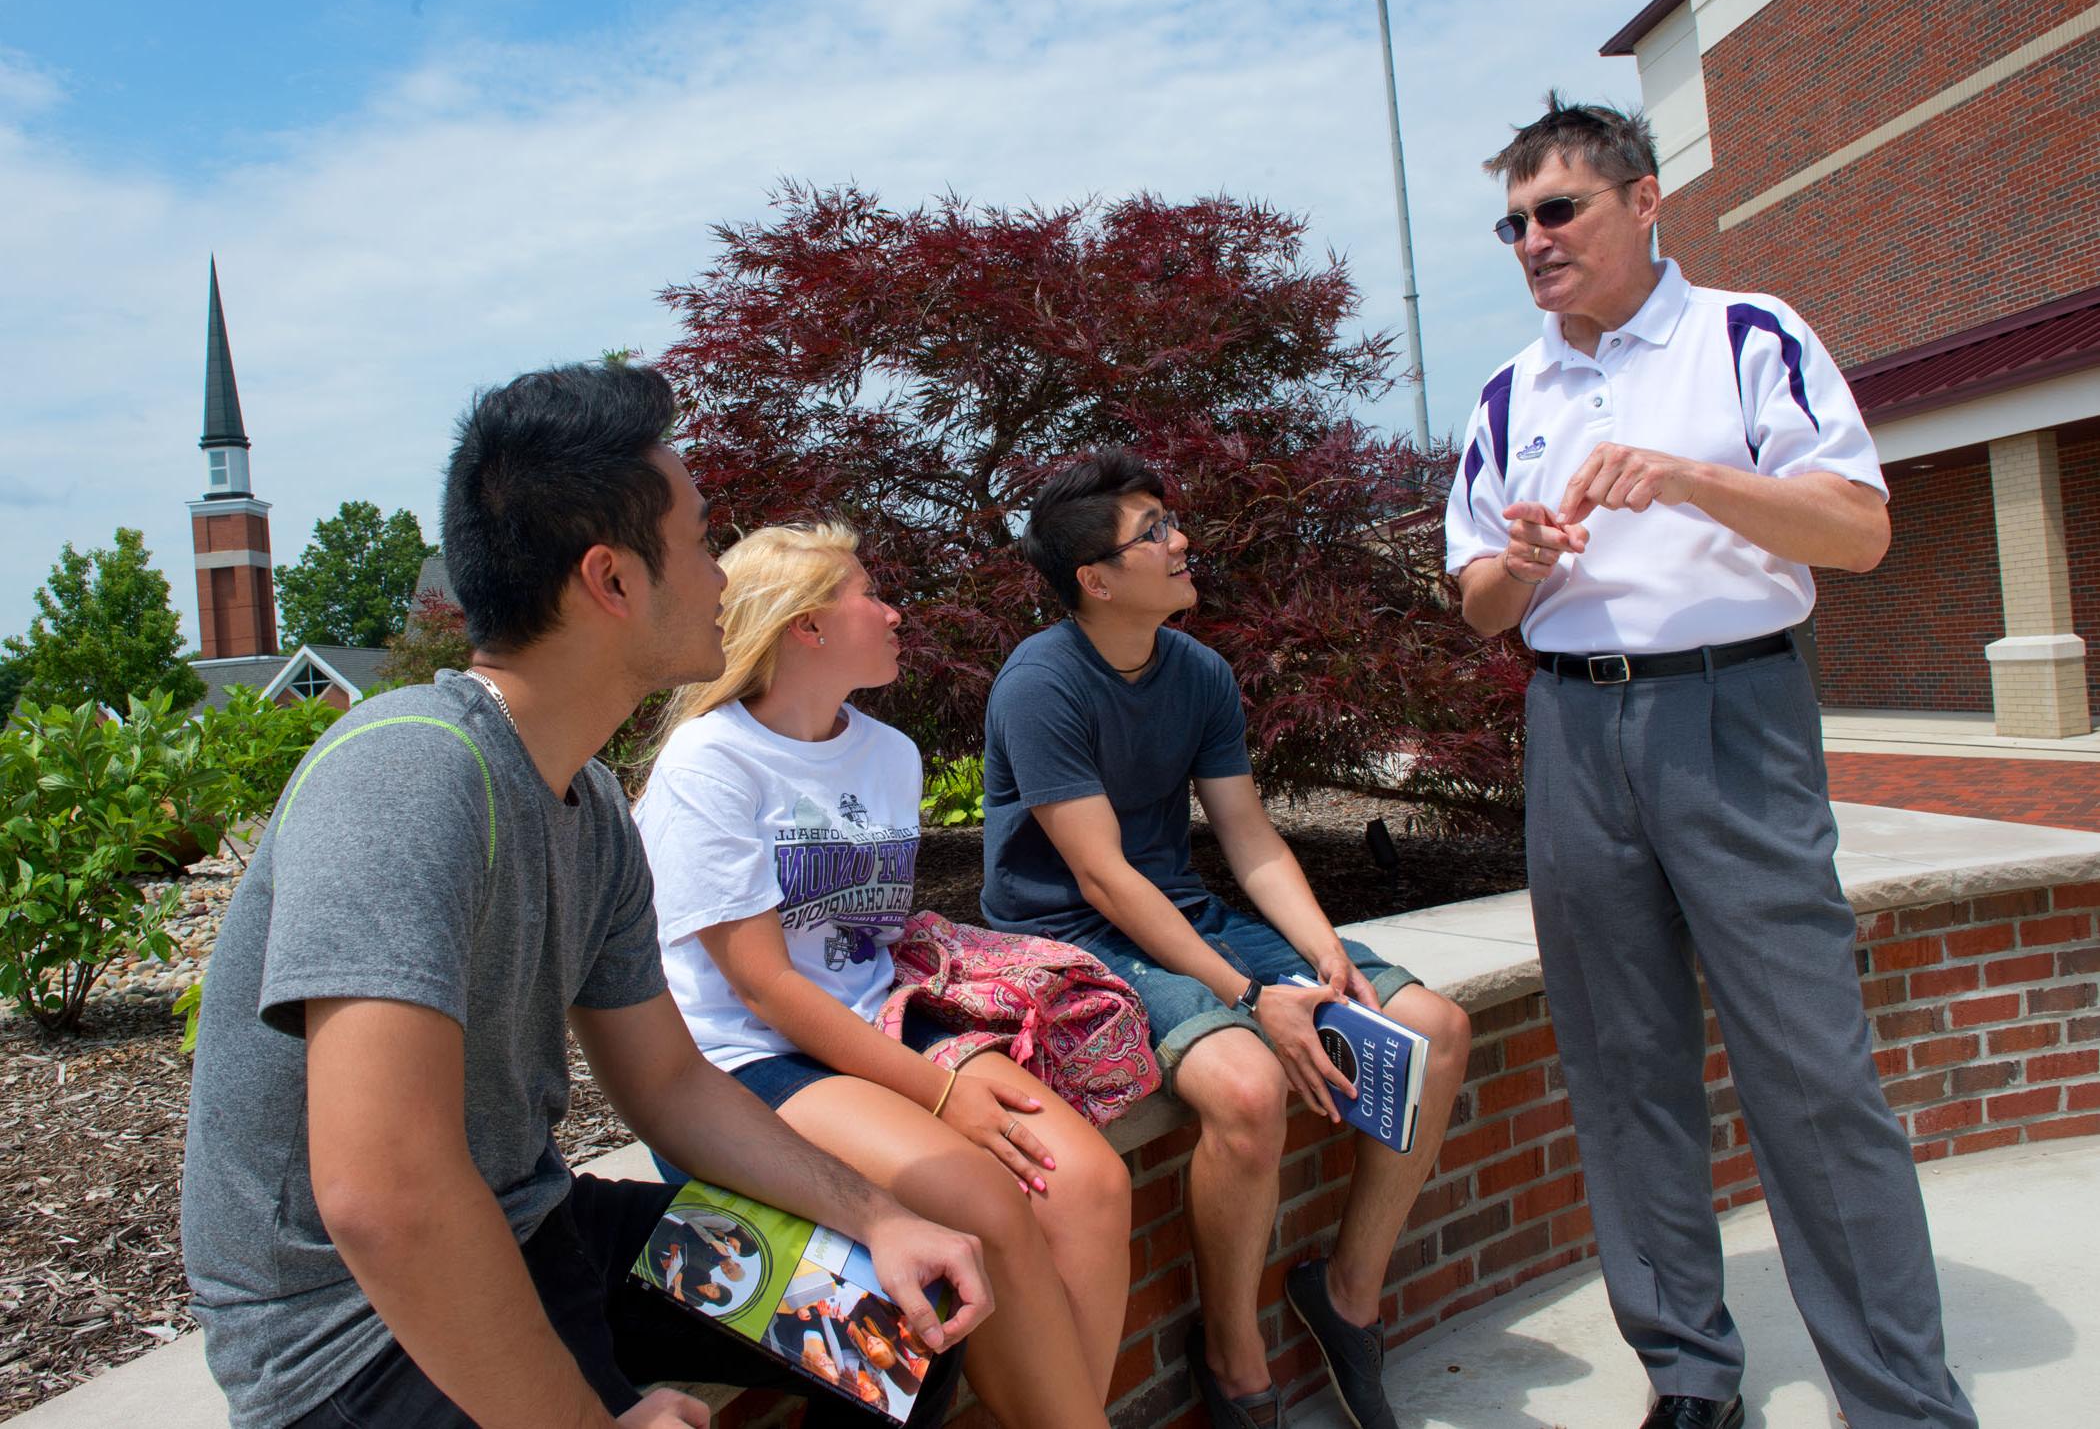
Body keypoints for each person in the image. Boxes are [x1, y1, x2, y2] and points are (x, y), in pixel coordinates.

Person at [181, 365, 989, 1429]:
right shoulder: (407, 772)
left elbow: (669, 1084)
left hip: (541, 1228)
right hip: (356, 1338)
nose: (720, 577)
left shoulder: (590, 802)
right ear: (610, 580)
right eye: (702, 543)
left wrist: (878, 1214)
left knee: (898, 1335)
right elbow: (386, 1199)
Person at [1444, 94, 1977, 1429]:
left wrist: (1686, 478)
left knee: (1810, 1068)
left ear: (1643, 201)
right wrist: (1517, 565)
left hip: (1732, 718)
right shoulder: (1510, 393)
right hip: (1571, 729)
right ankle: (1689, 1374)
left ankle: (1901, 1399)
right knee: (1621, 1066)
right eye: (1513, 222)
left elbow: (1856, 532)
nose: (1532, 240)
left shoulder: (1750, 337)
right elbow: (1475, 605)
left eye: (1557, 209)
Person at [979, 449, 1472, 1429]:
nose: (1181, 541)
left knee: (1434, 1030)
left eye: (1171, 520)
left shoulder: (1196, 672)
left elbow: (1246, 837)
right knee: (1245, 1086)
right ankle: (1233, 1357)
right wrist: (1251, 998)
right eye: (1153, 530)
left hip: (1179, 912)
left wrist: (1320, 948)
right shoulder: (1042, 684)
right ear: (1097, 578)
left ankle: (1346, 1299)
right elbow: (1101, 878)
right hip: (1073, 938)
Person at [633, 521, 1133, 1429]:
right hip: (747, 1061)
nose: (894, 610)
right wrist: (943, 1099)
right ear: (804, 627)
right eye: (869, 591)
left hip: (878, 1021)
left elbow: (867, 939)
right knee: (984, 1196)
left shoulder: (889, 755)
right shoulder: (711, 763)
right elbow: (763, 987)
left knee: (1089, 1184)